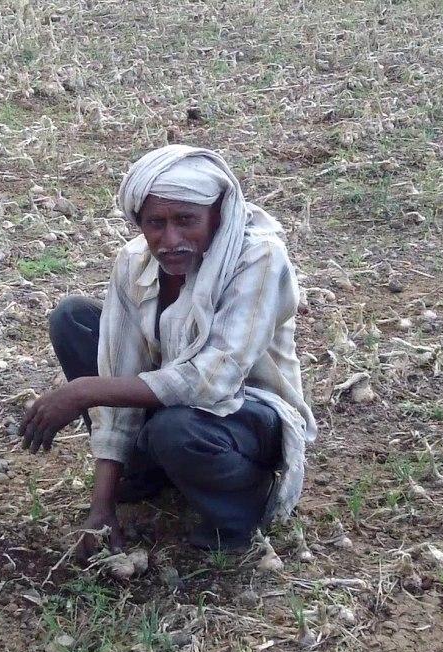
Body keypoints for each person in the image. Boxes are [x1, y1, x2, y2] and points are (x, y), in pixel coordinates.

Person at [19, 144, 317, 557]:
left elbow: (210, 382)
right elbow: (118, 366)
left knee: (176, 428)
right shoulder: (134, 263)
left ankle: (242, 509)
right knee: (74, 321)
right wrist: (102, 506)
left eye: (186, 221)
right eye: (155, 223)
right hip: (177, 404)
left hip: (249, 416)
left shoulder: (260, 257)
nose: (170, 239)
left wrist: (83, 391)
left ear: (218, 213)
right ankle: (144, 473)